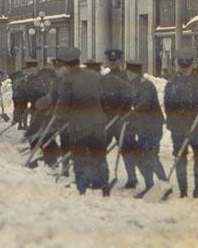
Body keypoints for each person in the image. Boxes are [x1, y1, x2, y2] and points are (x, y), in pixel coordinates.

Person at [54, 47, 110, 196]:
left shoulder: (68, 80)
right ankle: (104, 186)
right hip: (99, 124)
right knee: (99, 156)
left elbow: (63, 105)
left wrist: (59, 120)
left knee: (79, 157)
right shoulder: (95, 76)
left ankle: (82, 187)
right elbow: (106, 97)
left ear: (66, 65)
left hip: (79, 126)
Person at [164, 48, 198, 202]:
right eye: (183, 66)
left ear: (192, 65)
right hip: (179, 128)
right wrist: (177, 126)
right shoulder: (172, 83)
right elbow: (169, 108)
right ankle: (183, 192)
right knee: (180, 157)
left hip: (197, 126)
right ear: (178, 65)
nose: (185, 69)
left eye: (188, 65)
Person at [125, 61, 167, 199]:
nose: (127, 75)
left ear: (133, 73)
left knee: (150, 156)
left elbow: (144, 104)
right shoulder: (134, 85)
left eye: (128, 73)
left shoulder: (145, 85)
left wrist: (130, 114)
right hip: (143, 127)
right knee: (142, 156)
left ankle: (163, 185)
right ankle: (150, 185)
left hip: (153, 126)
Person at [97, 52, 138, 189]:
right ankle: (103, 177)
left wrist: (124, 110)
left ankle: (132, 178)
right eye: (110, 60)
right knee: (100, 147)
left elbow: (133, 95)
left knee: (127, 149)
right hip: (108, 119)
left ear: (121, 61)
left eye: (115, 60)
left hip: (123, 119)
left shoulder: (128, 77)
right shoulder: (104, 78)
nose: (112, 62)